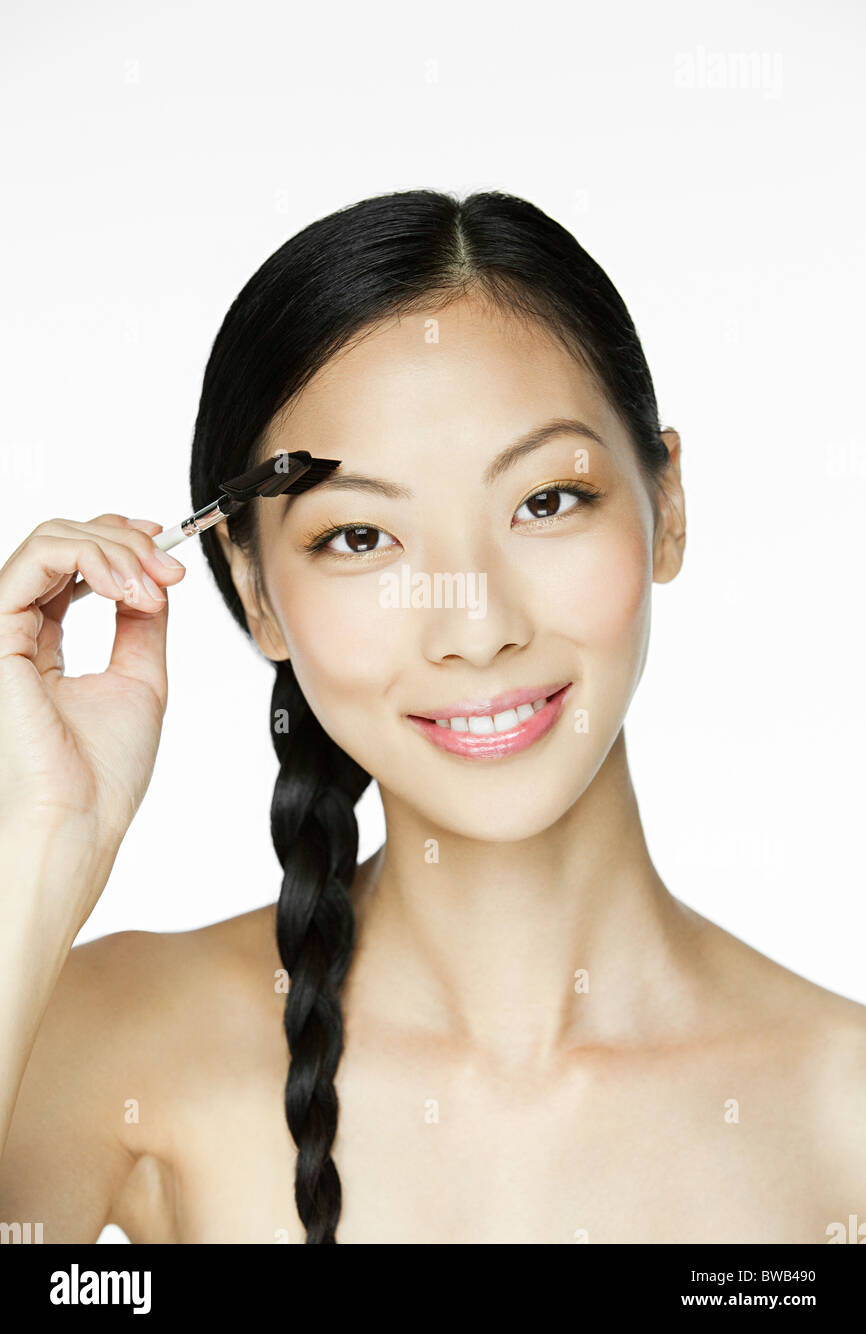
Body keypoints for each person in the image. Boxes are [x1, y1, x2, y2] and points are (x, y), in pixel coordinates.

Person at [1, 190, 863, 1245]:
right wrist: (37, 841)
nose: (472, 622)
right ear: (256, 588)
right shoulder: (112, 1044)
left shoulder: (841, 1115)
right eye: (361, 536)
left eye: (545, 501)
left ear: (665, 506)